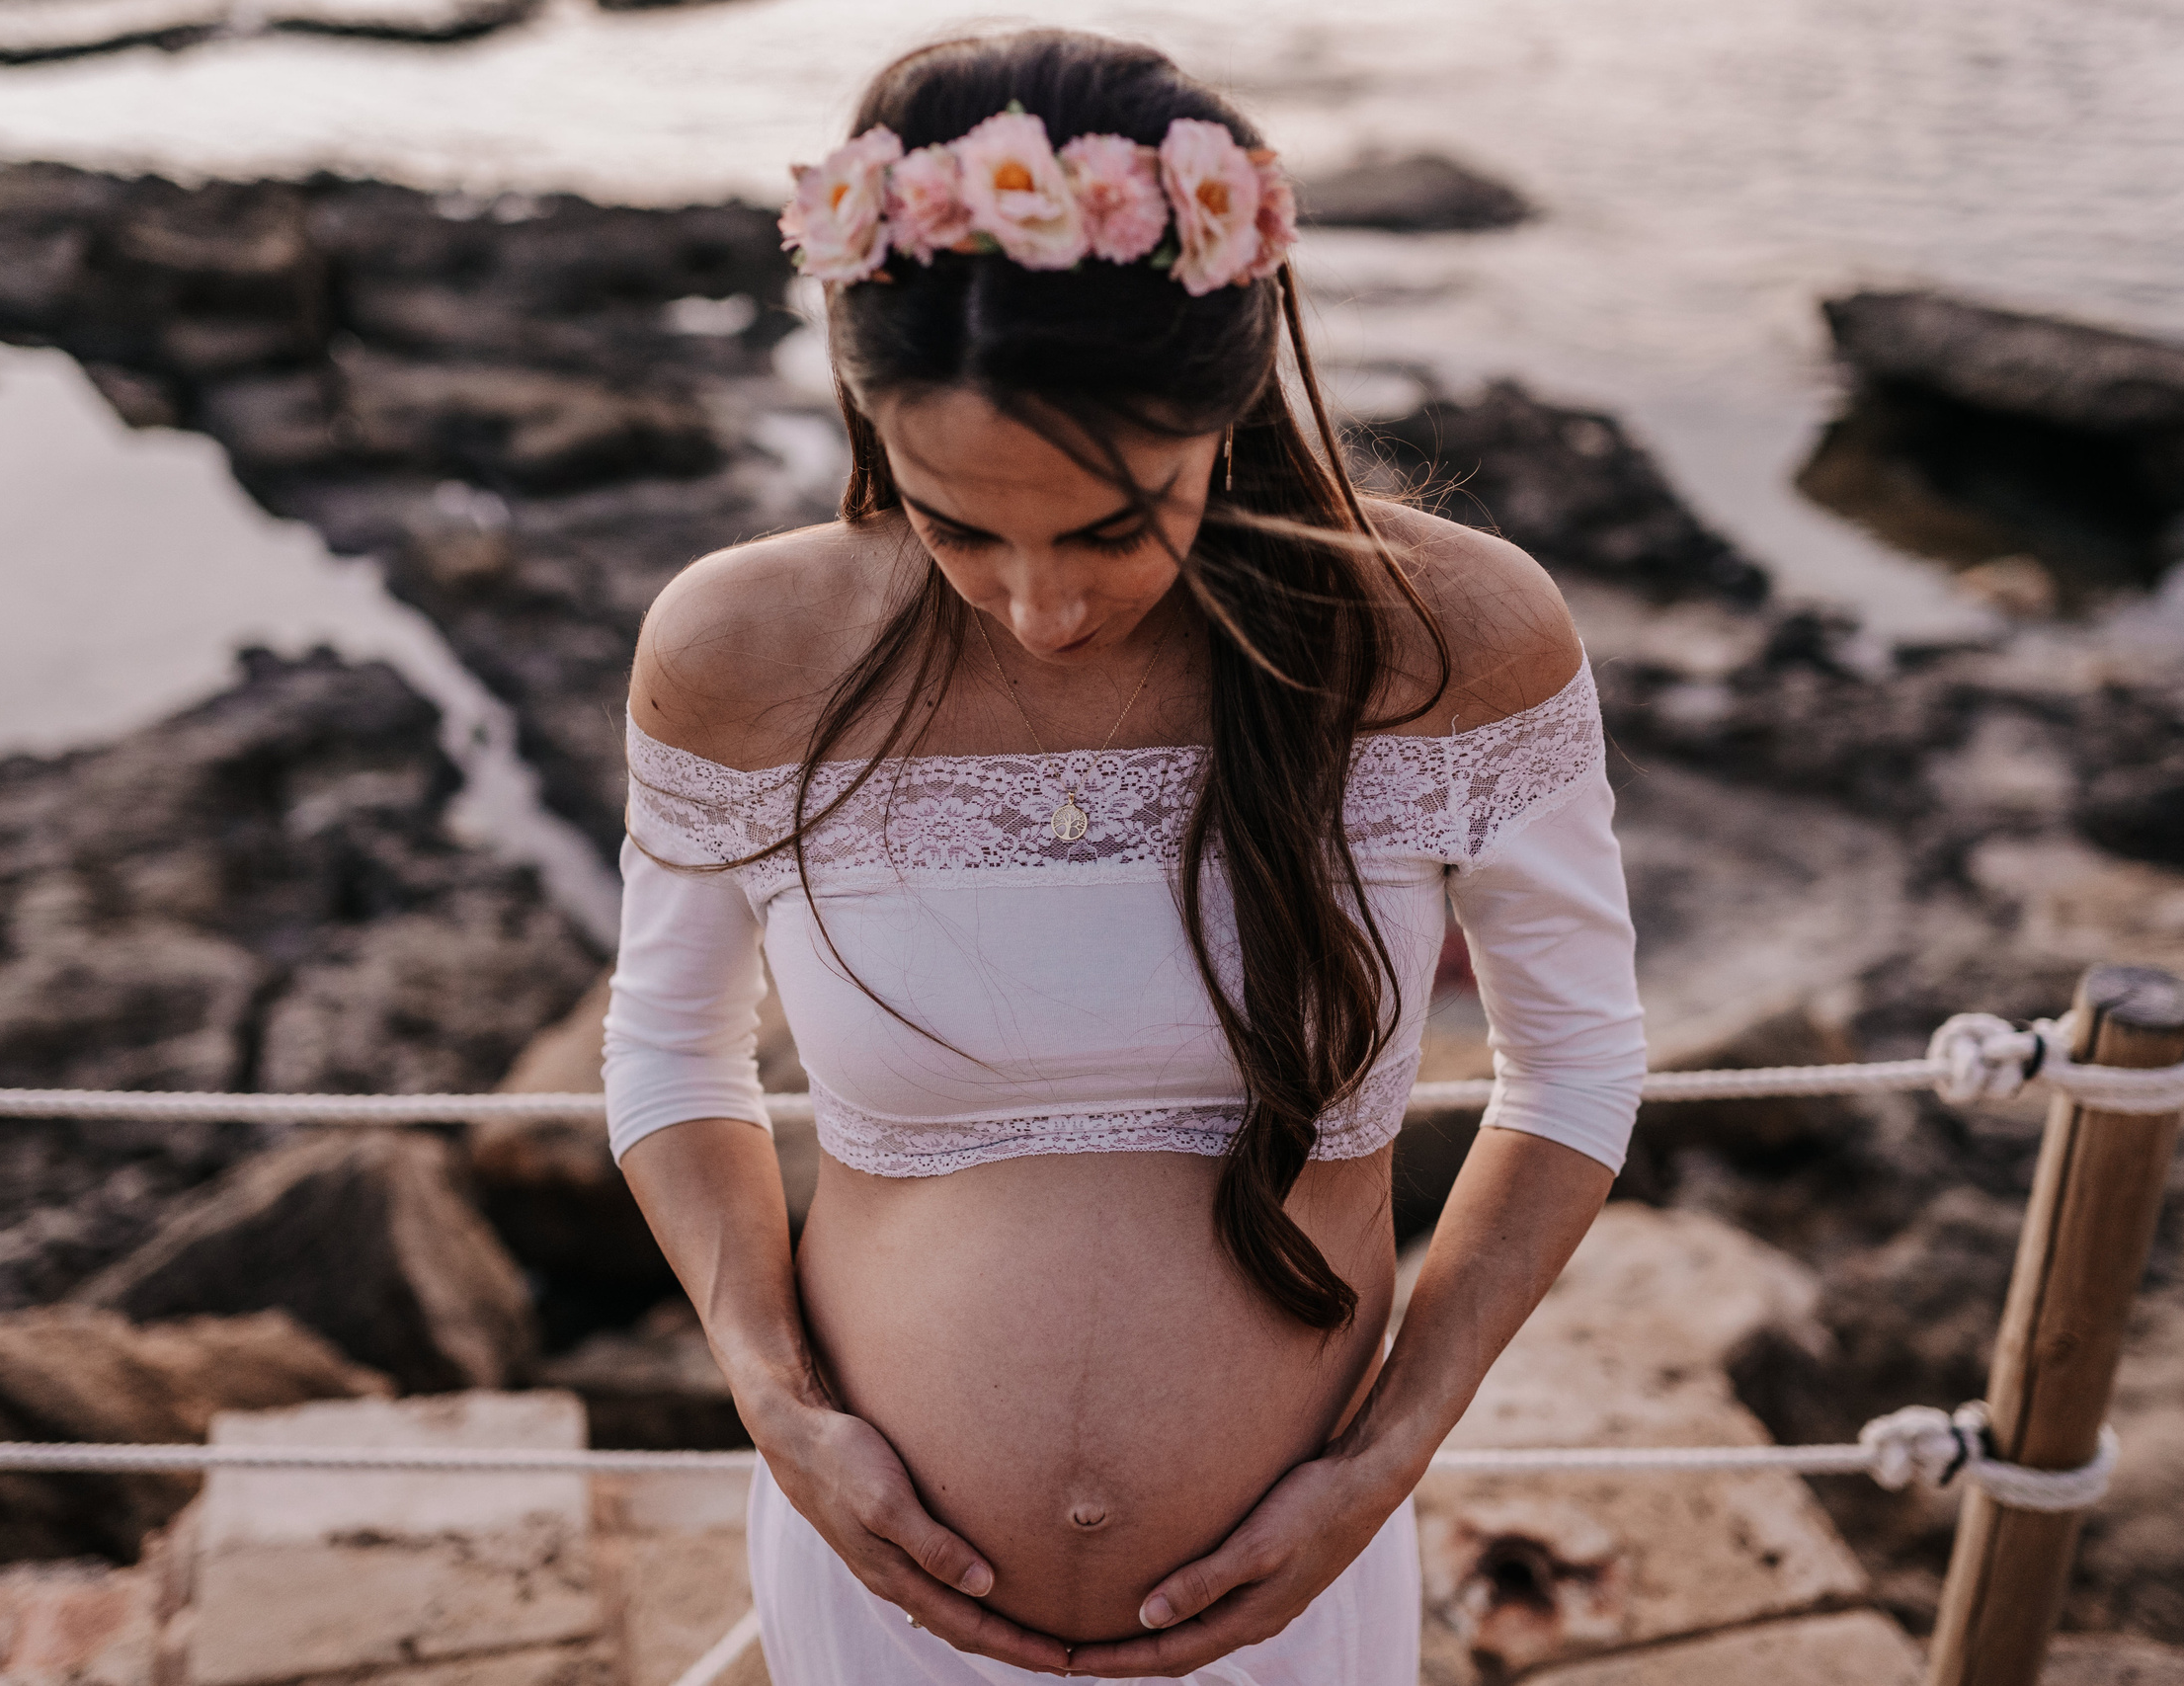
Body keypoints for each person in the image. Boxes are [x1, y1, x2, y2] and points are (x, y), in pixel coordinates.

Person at [603, 28, 1647, 1684]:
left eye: (1114, 521)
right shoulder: (743, 649)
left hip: (1283, 1613)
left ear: (1229, 405)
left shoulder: (1454, 641)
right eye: (957, 524)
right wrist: (774, 1400)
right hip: (883, 1605)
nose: (1042, 606)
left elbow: (1576, 1064)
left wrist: (1386, 1464)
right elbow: (668, 1049)